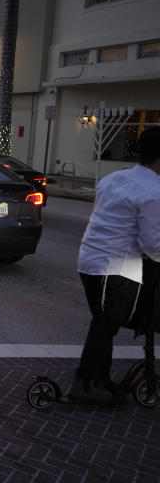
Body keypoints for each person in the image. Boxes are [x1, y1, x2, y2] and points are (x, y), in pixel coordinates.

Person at [68, 127, 160, 403]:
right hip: (120, 265)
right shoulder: (154, 191)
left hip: (90, 260)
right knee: (105, 325)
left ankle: (101, 379)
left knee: (104, 323)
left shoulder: (113, 179)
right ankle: (83, 384)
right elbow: (152, 244)